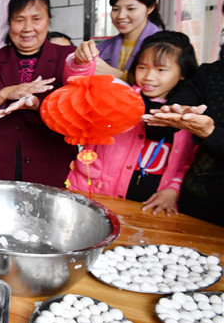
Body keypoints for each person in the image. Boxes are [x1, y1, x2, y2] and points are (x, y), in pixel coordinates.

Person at [0, 0, 94, 188]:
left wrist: (38, 106)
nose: (27, 28)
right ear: (10, 23)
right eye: (19, 20)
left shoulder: (67, 57)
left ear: (48, 21)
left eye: (36, 19)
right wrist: (6, 92)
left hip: (49, 165)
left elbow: (75, 115)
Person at [68, 32, 198, 215]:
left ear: (183, 72)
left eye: (161, 70)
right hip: (95, 193)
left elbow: (189, 162)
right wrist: (79, 63)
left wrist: (174, 189)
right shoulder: (118, 95)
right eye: (142, 67)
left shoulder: (189, 114)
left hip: (151, 208)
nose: (149, 77)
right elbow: (78, 86)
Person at [143, 33, 224, 225]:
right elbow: (170, 116)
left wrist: (211, 134)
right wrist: (175, 113)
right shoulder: (211, 73)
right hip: (195, 201)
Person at [76, 0, 165, 79]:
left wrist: (119, 76)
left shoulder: (166, 46)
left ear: (150, 8)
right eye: (115, 9)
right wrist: (78, 60)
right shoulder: (103, 47)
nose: (121, 16)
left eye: (130, 9)